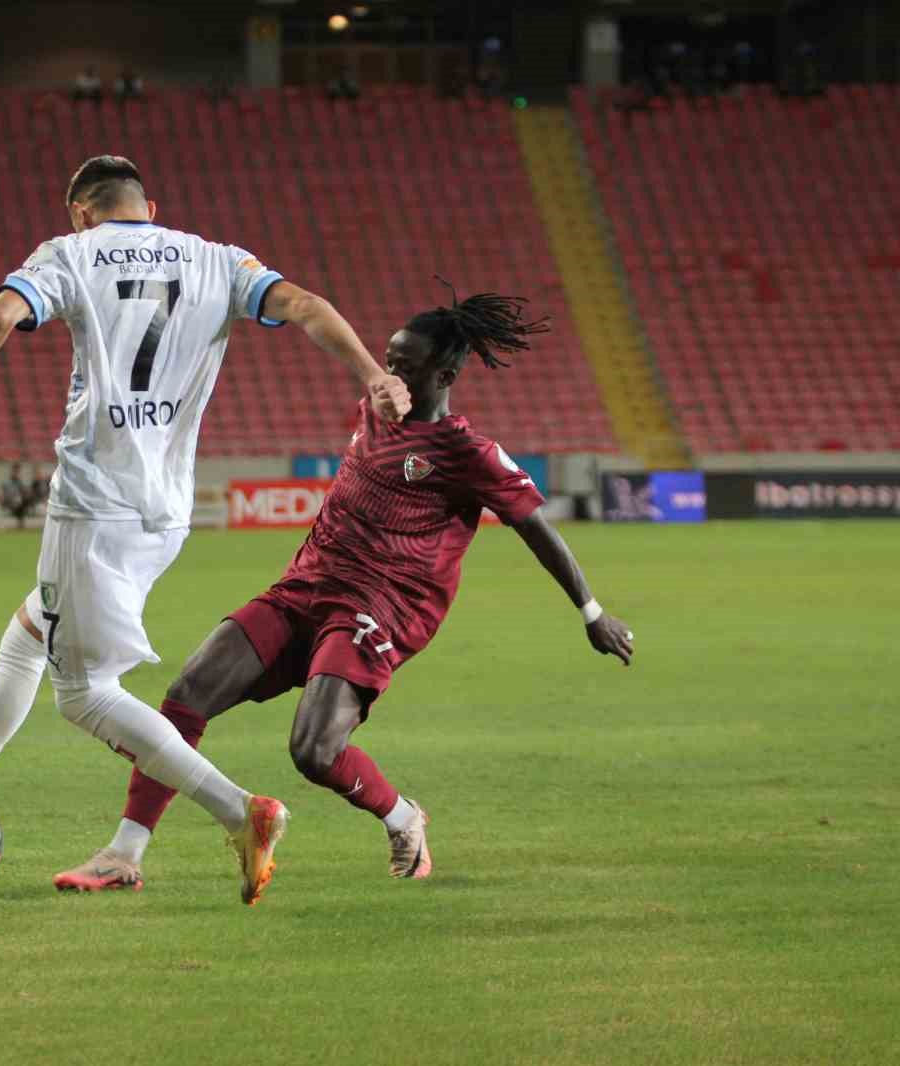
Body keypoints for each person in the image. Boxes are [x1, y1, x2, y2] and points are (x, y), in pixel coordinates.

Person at [0, 154, 411, 904]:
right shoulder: (215, 258)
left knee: (82, 692)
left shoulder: (70, 255)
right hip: (165, 510)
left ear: (80, 211)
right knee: (28, 634)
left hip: (93, 502)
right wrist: (373, 374)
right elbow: (305, 303)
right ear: (150, 206)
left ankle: (241, 811)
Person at [54, 291, 636, 892]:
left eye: (407, 367)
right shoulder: (375, 408)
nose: (392, 375)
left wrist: (592, 612)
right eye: (389, 360)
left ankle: (403, 816)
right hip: (305, 585)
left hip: (377, 608)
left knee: (313, 751)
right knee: (187, 694)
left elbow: (535, 527)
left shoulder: (468, 453)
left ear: (445, 376)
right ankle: (125, 855)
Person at [0, 463, 29, 529]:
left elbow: (25, 493)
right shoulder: (6, 483)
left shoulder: (20, 483)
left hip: (19, 505)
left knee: (23, 503)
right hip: (9, 503)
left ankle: (20, 525)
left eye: (18, 472)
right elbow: (2, 494)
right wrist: (3, 499)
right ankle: (20, 524)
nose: (16, 474)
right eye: (15, 471)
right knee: (18, 504)